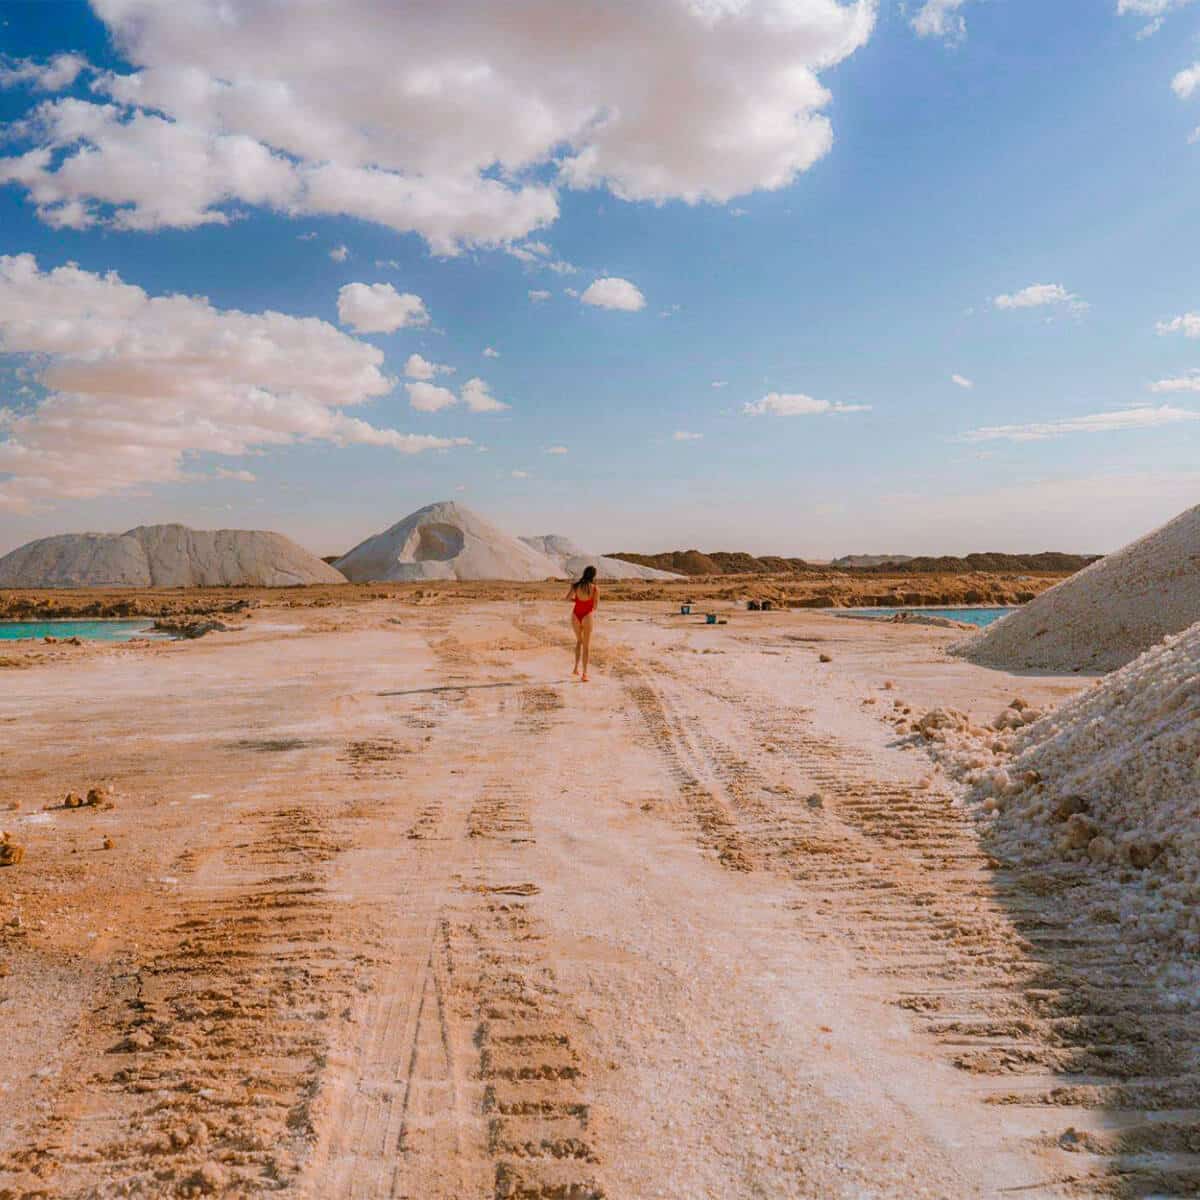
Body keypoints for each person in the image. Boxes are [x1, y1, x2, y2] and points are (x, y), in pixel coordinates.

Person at [566, 564, 598, 681]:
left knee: (579, 641)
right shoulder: (595, 588)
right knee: (586, 645)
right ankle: (584, 674)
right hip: (587, 616)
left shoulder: (576, 586)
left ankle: (575, 668)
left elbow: (568, 598)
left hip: (575, 615)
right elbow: (595, 606)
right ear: (593, 576)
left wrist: (577, 600)